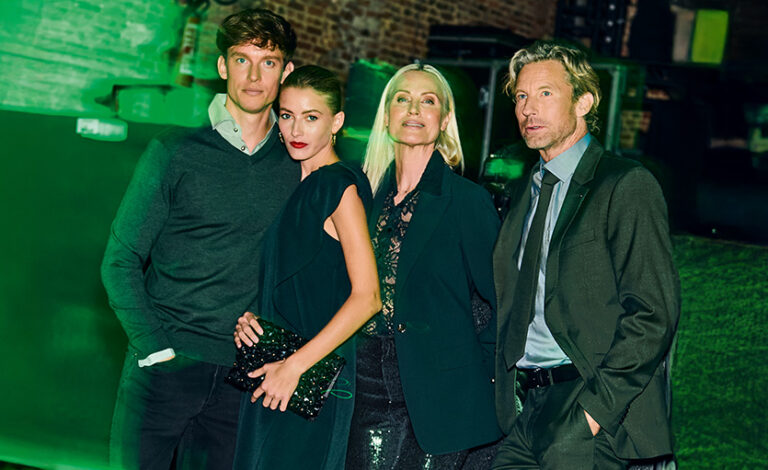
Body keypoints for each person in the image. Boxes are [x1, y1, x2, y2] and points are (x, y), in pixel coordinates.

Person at [101, 8, 298, 469]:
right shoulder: (174, 151)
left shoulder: (298, 166)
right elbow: (120, 261)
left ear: (286, 72)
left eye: (268, 62)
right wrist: (154, 349)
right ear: (223, 66)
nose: (254, 76)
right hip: (163, 367)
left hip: (242, 381)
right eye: (242, 60)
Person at [492, 40, 680, 469]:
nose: (528, 109)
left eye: (545, 93)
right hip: (525, 409)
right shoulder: (524, 191)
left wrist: (590, 416)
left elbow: (653, 314)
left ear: (583, 102)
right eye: (521, 96)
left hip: (589, 407)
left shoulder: (624, 184)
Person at [344, 63, 502, 469]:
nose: (414, 109)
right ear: (387, 115)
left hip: (441, 394)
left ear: (444, 119)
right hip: (364, 384)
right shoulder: (363, 197)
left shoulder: (467, 201)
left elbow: (506, 301)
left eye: (428, 101)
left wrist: (477, 376)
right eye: (402, 99)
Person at [232, 65, 381, 470]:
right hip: (274, 368)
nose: (296, 129)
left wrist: (295, 367)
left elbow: (368, 297)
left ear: (337, 122)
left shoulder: (337, 186)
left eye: (311, 117)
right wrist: (255, 319)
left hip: (309, 378)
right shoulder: (295, 184)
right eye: (286, 115)